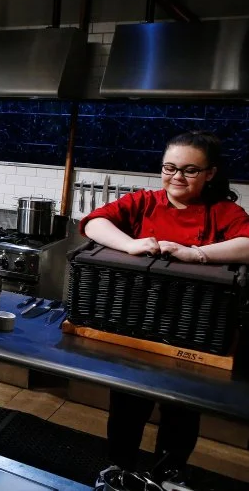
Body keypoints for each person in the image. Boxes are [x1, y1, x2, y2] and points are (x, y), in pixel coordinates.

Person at [81, 131, 249, 490]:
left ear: (210, 173)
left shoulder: (225, 212)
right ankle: (119, 470)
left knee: (182, 409)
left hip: (195, 330)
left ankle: (169, 475)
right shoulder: (144, 202)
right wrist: (130, 244)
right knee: (127, 404)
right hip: (138, 322)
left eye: (190, 170)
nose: (177, 177)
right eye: (169, 168)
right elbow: (94, 223)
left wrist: (196, 253)